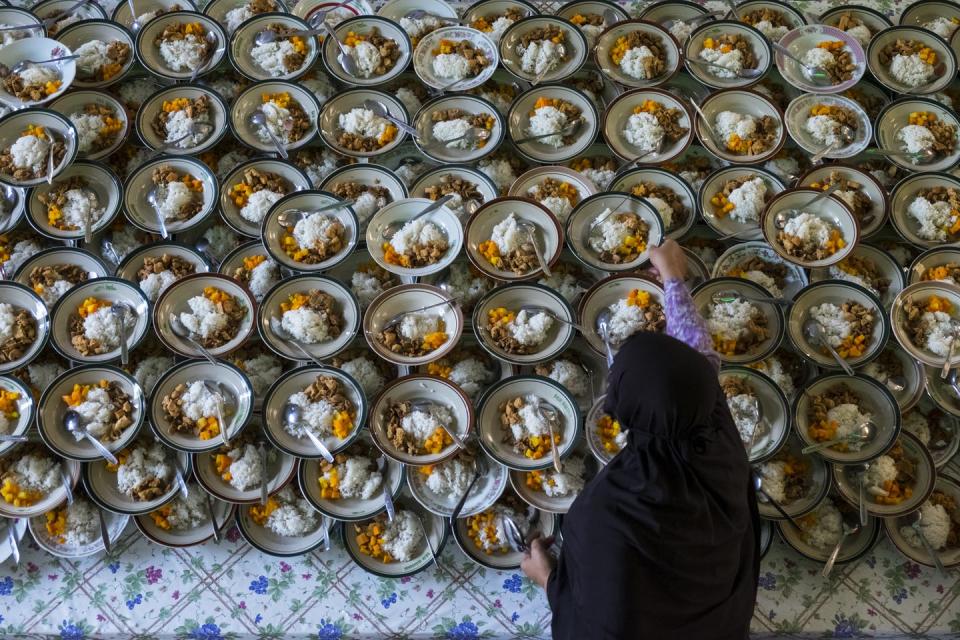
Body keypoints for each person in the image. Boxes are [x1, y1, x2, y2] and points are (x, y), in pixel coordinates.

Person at [521, 239, 759, 639]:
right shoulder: (716, 430)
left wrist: (548, 579)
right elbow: (696, 354)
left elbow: (593, 626)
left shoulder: (609, 512)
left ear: (620, 413)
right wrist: (672, 278)